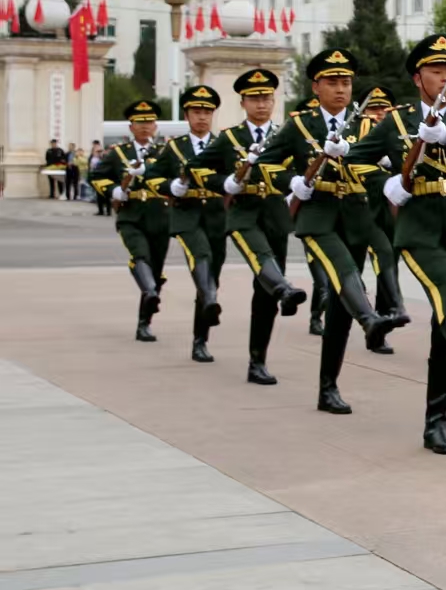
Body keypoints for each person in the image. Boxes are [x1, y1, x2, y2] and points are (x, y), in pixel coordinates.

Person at [347, 35, 446, 451]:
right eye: (436, 71)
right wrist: (384, 185)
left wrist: (443, 134)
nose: (445, 79)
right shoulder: (397, 122)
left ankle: (436, 420)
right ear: (419, 77)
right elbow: (356, 159)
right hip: (419, 228)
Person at [259, 48, 407, 413]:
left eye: (346, 82)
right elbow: (265, 163)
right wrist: (294, 180)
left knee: (341, 302)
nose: (341, 89)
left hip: (357, 215)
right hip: (317, 215)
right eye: (332, 82)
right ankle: (371, 318)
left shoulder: (369, 126)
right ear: (316, 87)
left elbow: (405, 159)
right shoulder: (300, 125)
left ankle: (329, 387)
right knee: (344, 271)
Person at [191, 68, 310, 383]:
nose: (261, 104)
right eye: (254, 99)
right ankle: (284, 287)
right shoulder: (230, 138)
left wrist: (298, 182)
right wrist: (226, 182)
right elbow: (195, 168)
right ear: (243, 102)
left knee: (266, 290)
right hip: (243, 214)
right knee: (263, 262)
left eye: (266, 98)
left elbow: (303, 168)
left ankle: (257, 360)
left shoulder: (286, 135)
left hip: (275, 213)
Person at [151, 85, 228, 363]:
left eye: (207, 111)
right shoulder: (174, 148)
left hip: (217, 217)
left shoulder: (223, 143)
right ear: (187, 114)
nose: (202, 117)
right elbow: (151, 178)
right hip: (186, 215)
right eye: (197, 111)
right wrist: (171, 186)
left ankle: (201, 337)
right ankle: (203, 324)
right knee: (201, 256)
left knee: (210, 279)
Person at [90, 101, 170, 340]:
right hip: (131, 215)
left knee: (155, 271)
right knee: (140, 255)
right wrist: (115, 190)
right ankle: (149, 292)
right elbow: (96, 176)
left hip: (160, 215)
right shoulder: (118, 153)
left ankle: (144, 322)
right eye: (140, 122)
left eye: (149, 122)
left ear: (155, 126)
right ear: (131, 126)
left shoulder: (165, 152)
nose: (145, 127)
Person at [358, 86, 412, 355]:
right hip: (360, 210)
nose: (379, 113)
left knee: (387, 261)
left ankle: (380, 325)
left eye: (384, 108)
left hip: (389, 212)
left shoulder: (397, 133)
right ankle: (386, 310)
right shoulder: (357, 132)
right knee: (358, 269)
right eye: (373, 109)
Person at [89, 140, 110, 215]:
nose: (99, 153)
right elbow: (91, 169)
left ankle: (108, 211)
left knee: (107, 195)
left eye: (100, 151)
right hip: (97, 179)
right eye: (97, 151)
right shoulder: (93, 159)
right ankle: (101, 210)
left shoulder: (106, 158)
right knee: (99, 195)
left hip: (106, 179)